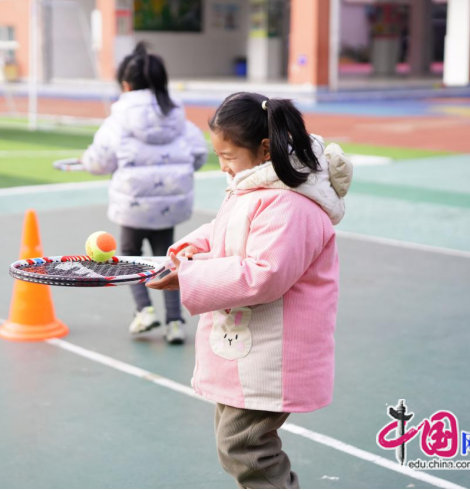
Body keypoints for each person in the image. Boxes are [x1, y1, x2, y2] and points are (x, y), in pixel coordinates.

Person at [147, 92, 352, 488]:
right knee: (237, 442)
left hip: (275, 351)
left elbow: (265, 274)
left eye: (228, 156)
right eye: (218, 155)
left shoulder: (290, 204)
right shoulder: (254, 187)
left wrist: (190, 276)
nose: (223, 166)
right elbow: (226, 231)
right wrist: (192, 250)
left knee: (243, 447)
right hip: (250, 345)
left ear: (264, 149)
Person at [82, 42, 208, 344]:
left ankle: (144, 310)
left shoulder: (117, 120)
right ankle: (175, 322)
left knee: (129, 257)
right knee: (169, 260)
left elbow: (99, 161)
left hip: (133, 206)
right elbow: (198, 154)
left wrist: (86, 161)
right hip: (169, 207)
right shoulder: (178, 117)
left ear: (125, 84)